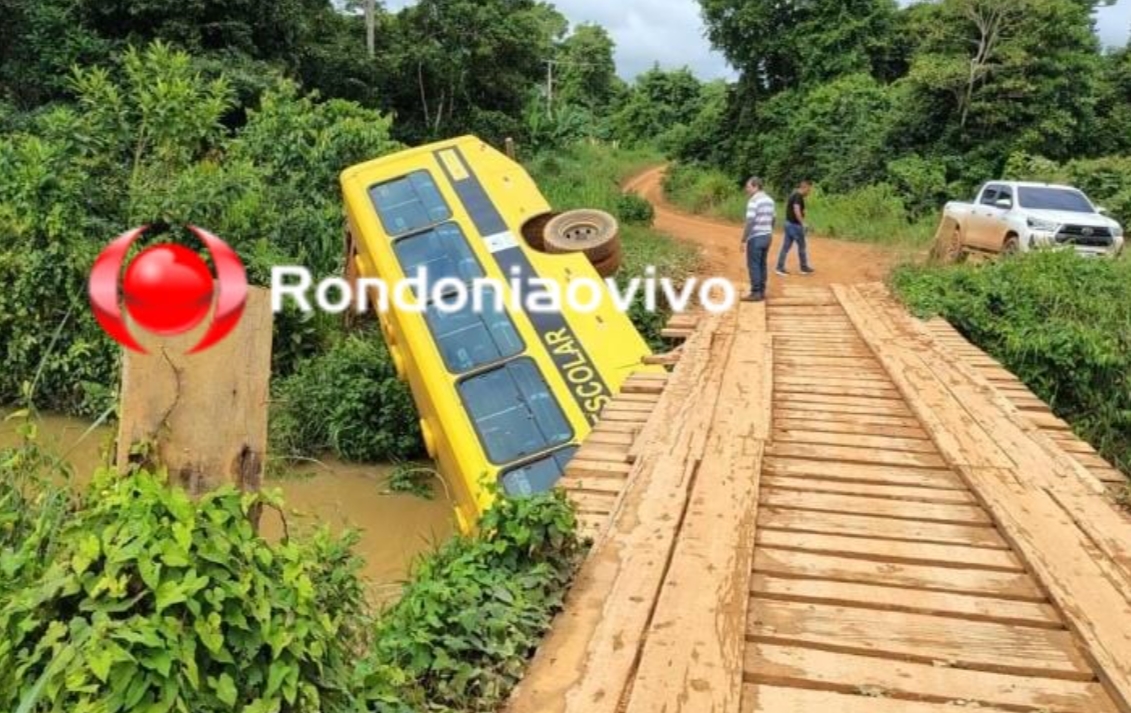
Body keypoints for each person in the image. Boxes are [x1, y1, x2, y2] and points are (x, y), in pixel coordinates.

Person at [742, 176, 774, 302]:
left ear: (756, 186)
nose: (747, 189)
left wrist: (744, 239)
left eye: (748, 187)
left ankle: (756, 293)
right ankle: (762, 291)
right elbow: (773, 218)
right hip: (767, 236)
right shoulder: (770, 200)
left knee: (753, 265)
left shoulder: (753, 201)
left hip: (755, 237)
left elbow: (750, 221)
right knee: (762, 264)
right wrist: (769, 230)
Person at [776, 179, 815, 276]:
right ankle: (803, 267)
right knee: (802, 246)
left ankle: (779, 268)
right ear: (805, 187)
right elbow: (796, 209)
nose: (809, 192)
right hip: (795, 225)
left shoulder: (794, 194)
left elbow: (794, 208)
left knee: (785, 247)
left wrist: (802, 213)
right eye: (809, 189)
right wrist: (803, 223)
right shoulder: (798, 196)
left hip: (789, 223)